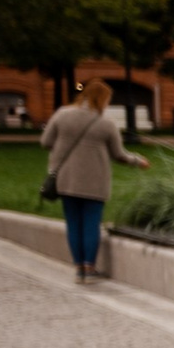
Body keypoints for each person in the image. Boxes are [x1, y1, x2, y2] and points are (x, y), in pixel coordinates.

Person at [41, 78, 147, 284]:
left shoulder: (62, 115)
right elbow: (119, 155)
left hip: (66, 179)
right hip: (95, 182)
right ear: (102, 100)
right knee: (91, 223)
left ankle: (78, 268)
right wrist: (139, 161)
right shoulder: (106, 124)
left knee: (73, 224)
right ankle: (89, 267)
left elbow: (45, 142)